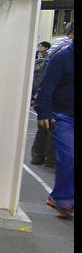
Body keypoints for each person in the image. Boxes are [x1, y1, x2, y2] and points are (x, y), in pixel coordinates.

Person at [34, 22, 74, 219]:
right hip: (63, 115)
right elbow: (47, 85)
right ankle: (64, 200)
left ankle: (62, 195)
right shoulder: (62, 57)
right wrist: (44, 112)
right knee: (69, 157)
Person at [30, 41, 55, 166]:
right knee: (51, 129)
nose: (39, 48)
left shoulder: (54, 54)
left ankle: (38, 157)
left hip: (45, 97)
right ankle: (50, 160)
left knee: (45, 128)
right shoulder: (61, 56)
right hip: (53, 101)